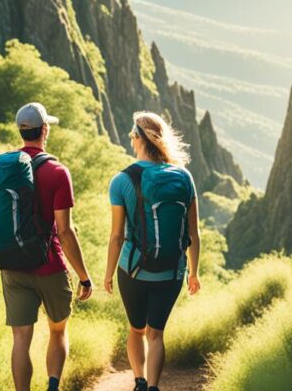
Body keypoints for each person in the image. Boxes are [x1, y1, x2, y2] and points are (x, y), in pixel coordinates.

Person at [0, 102, 93, 391]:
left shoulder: (2, 169)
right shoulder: (57, 171)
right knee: (58, 330)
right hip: (49, 265)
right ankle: (53, 386)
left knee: (20, 339)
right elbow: (65, 232)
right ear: (45, 130)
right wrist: (84, 276)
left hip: (12, 266)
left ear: (21, 130)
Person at [103, 112, 202, 391]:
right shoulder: (184, 177)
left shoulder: (122, 180)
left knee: (136, 329)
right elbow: (194, 234)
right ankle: (155, 387)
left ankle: (139, 381)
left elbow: (117, 236)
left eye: (132, 135)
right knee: (156, 334)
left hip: (133, 270)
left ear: (137, 138)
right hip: (172, 271)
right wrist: (194, 273)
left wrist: (109, 274)